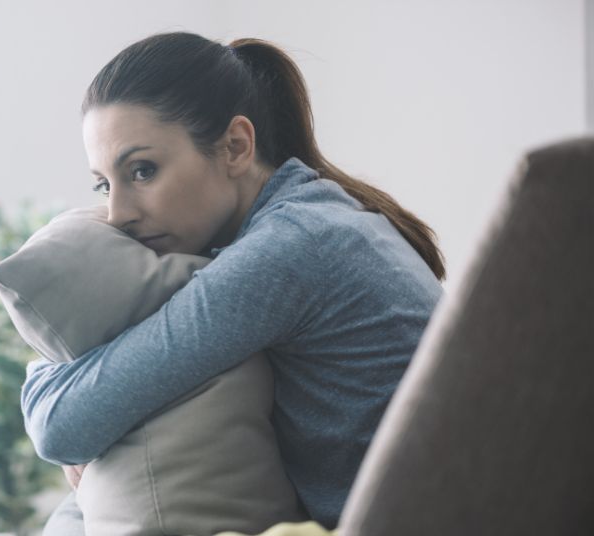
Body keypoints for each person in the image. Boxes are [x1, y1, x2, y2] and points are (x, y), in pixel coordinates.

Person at [22, 31, 445, 534]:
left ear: (236, 147)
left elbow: (63, 428)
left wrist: (45, 381)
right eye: (104, 183)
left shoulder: (291, 249)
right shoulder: (319, 217)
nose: (117, 214)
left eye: (142, 171)